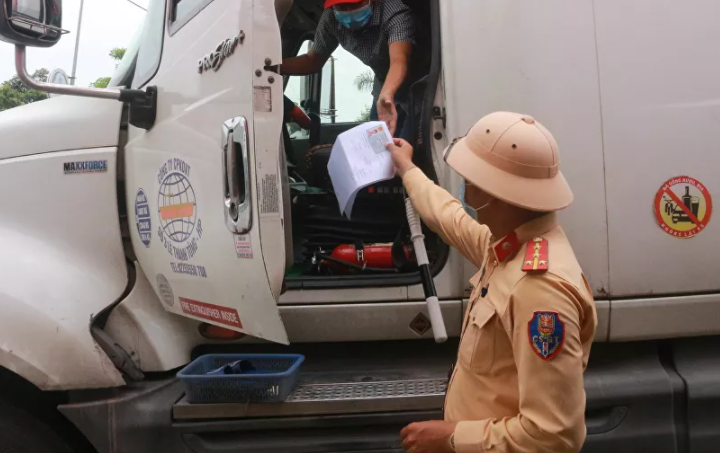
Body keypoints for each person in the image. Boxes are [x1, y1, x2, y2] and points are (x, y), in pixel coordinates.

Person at [387, 112, 597, 453]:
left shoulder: (539, 288)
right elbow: (449, 217)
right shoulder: (507, 246)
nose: (466, 191)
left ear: (495, 193)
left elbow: (554, 436)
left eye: (470, 181)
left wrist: (451, 438)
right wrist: (407, 168)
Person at [281, 0, 426, 141]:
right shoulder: (331, 18)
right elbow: (312, 61)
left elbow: (399, 61)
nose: (348, 11)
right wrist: (274, 67)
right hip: (382, 87)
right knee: (378, 146)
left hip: (418, 89)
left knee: (408, 146)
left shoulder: (394, 13)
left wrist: (387, 94)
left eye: (354, 4)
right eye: (341, 6)